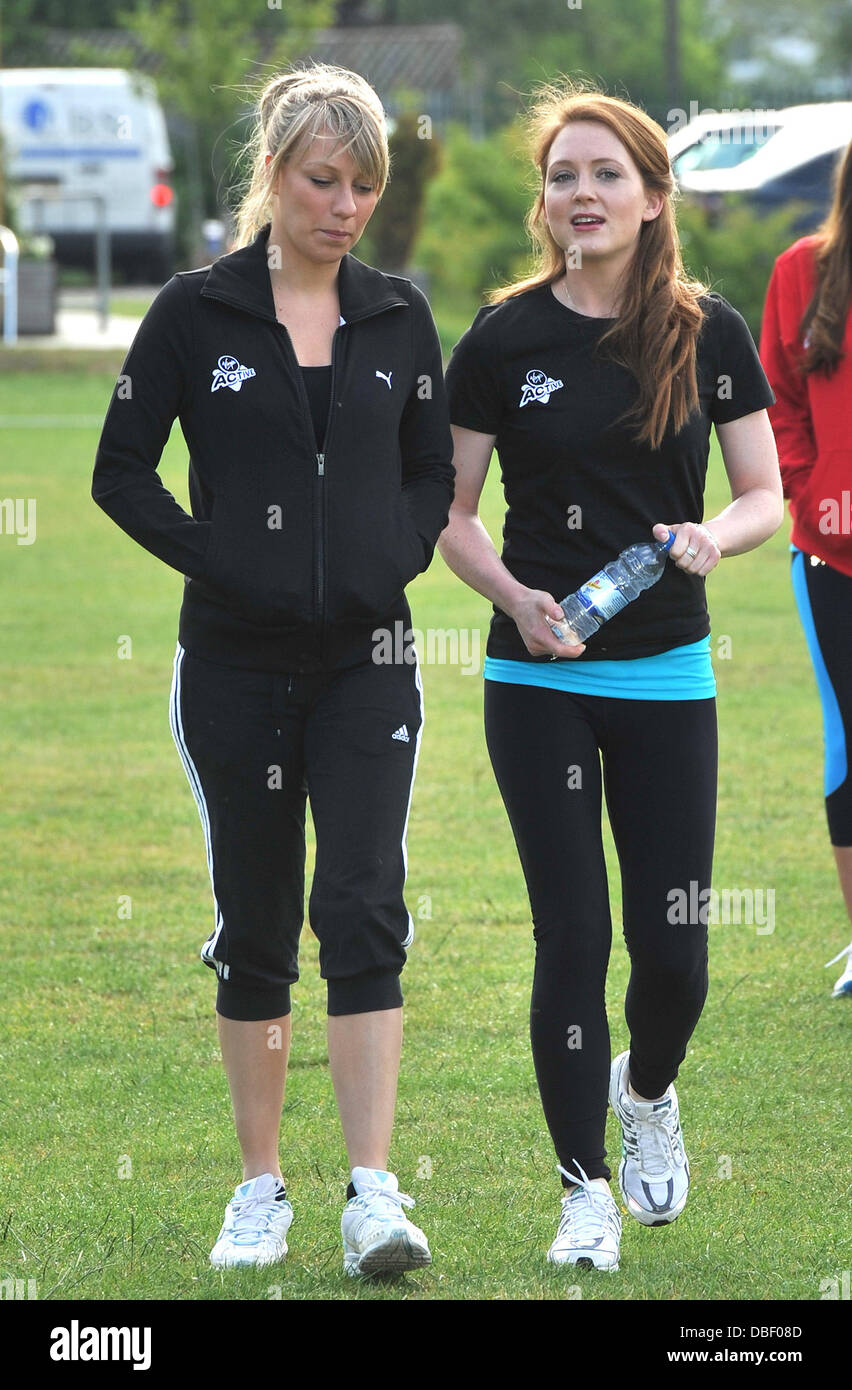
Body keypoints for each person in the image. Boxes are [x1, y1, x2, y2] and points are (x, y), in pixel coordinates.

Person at [91, 63, 454, 1277]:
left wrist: (398, 551)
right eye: (322, 179)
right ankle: (259, 1189)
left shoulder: (400, 313)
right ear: (275, 174)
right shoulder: (196, 311)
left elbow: (428, 471)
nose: (344, 204)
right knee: (257, 928)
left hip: (370, 661)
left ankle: (372, 1192)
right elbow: (121, 469)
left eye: (362, 183)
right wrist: (227, 562)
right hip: (235, 666)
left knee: (361, 906)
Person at [439, 80, 783, 1272]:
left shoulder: (709, 330)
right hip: (536, 677)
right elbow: (451, 513)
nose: (579, 194)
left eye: (605, 175)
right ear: (544, 200)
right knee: (572, 934)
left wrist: (712, 539)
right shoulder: (500, 338)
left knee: (675, 950)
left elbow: (763, 496)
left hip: (668, 672)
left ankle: (650, 1087)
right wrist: (513, 599)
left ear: (651, 196)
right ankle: (583, 1189)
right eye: (562, 176)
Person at [759, 138, 852, 1000]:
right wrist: (812, 488)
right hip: (832, 556)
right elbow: (778, 399)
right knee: (848, 742)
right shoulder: (802, 270)